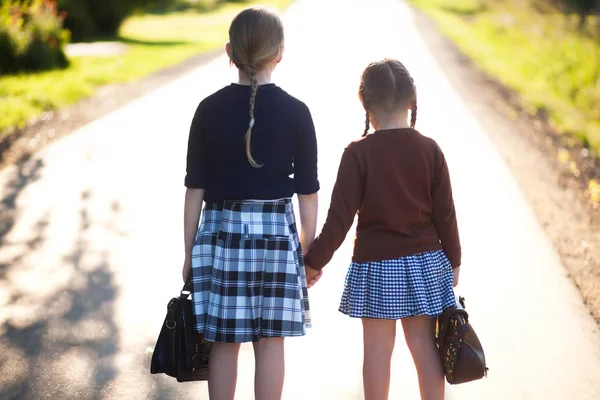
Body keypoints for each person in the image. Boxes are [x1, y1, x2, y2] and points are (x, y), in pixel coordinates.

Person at [181, 7, 319, 400]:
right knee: (271, 341)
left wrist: (189, 252)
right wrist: (308, 252)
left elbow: (194, 190)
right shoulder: (297, 112)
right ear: (279, 54)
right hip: (277, 236)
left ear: (229, 51)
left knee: (224, 341)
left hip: (222, 234)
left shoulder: (208, 109)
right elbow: (307, 192)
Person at [303, 59, 461, 400]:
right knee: (424, 347)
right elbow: (446, 215)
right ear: (411, 100)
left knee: (376, 351)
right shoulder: (430, 149)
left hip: (377, 268)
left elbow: (339, 220)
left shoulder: (358, 154)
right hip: (425, 264)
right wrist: (455, 260)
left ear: (365, 103)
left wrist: (312, 262)